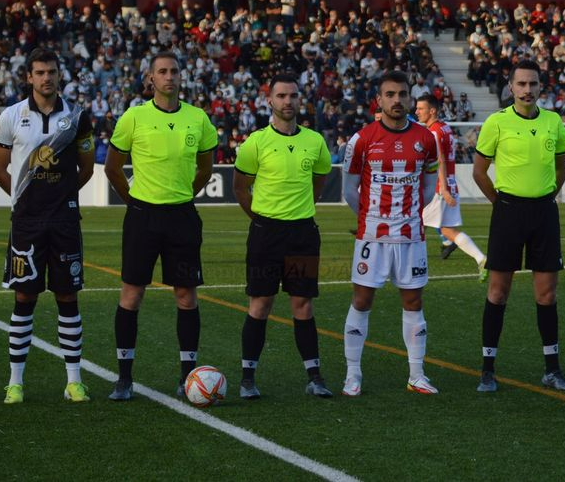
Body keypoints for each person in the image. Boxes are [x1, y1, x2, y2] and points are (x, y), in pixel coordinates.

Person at [104, 51, 216, 401]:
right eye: (162, 72)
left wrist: (184, 195)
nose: (169, 77)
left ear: (182, 77)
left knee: (186, 296)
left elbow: (205, 168)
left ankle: (187, 376)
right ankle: (124, 378)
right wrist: (134, 201)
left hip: (182, 217)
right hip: (142, 217)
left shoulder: (198, 119)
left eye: (174, 71)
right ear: (151, 78)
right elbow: (112, 168)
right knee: (132, 295)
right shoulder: (134, 117)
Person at [0, 49, 96, 404]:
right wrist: (23, 199)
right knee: (24, 297)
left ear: (58, 75)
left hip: (65, 220)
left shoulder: (79, 117)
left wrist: (61, 196)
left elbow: (87, 168)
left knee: (68, 297)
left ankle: (74, 381)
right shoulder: (10, 116)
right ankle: (15, 382)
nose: (46, 78)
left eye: (51, 71)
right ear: (29, 78)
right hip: (27, 222)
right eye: (40, 72)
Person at [472, 60, 565, 393]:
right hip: (508, 213)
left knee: (547, 294)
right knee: (498, 292)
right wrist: (501, 205)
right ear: (511, 87)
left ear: (540, 86)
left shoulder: (554, 122)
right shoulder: (496, 123)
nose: (527, 90)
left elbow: (561, 171)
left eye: (532, 84)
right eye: (521, 84)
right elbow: (479, 173)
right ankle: (487, 370)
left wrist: (544, 199)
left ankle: (553, 369)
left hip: (544, 213)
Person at [232, 73, 333, 400]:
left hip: (302, 234)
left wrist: (298, 213)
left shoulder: (315, 142)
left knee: (302, 304)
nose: (287, 102)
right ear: (270, 100)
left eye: (292, 96)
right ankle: (248, 378)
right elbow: (240, 187)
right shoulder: (256, 142)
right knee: (260, 303)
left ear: (299, 100)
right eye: (281, 96)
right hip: (266, 235)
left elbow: (318, 183)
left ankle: (314, 376)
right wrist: (262, 219)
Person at [341, 71, 440, 397]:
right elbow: (350, 190)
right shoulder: (362, 139)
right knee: (362, 299)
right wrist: (372, 217)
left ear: (410, 98)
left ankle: (417, 375)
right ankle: (352, 375)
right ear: (379, 100)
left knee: (413, 301)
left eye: (402, 94)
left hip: (411, 236)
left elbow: (428, 187)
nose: (397, 100)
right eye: (390, 94)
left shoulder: (426, 139)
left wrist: (407, 215)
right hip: (372, 236)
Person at [414, 95, 487, 277]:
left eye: (420, 108)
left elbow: (439, 161)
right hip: (450, 184)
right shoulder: (445, 128)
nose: (417, 112)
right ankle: (481, 259)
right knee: (447, 230)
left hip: (439, 187)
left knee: (412, 221)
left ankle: (411, 265)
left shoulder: (433, 132)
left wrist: (443, 189)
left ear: (432, 111)